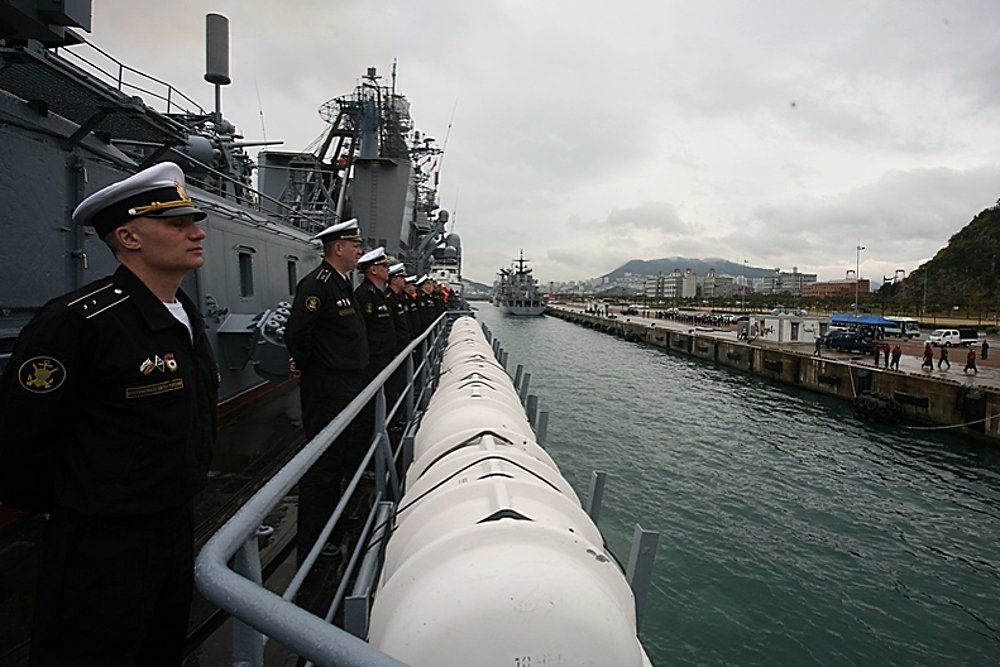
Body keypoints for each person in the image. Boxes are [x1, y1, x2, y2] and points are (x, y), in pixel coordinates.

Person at [0, 162, 219, 666]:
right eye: (177, 223)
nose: (197, 232)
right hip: (101, 544)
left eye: (194, 221)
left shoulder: (182, 316)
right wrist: (81, 507)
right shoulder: (79, 322)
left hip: (174, 525)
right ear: (128, 237)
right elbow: (20, 437)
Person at [283, 219, 368, 561]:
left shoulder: (340, 283)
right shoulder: (317, 285)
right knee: (323, 461)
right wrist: (310, 367)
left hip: (344, 384)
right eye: (355, 245)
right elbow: (297, 333)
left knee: (340, 455)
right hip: (327, 386)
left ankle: (333, 520)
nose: (359, 251)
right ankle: (312, 541)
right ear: (338, 248)